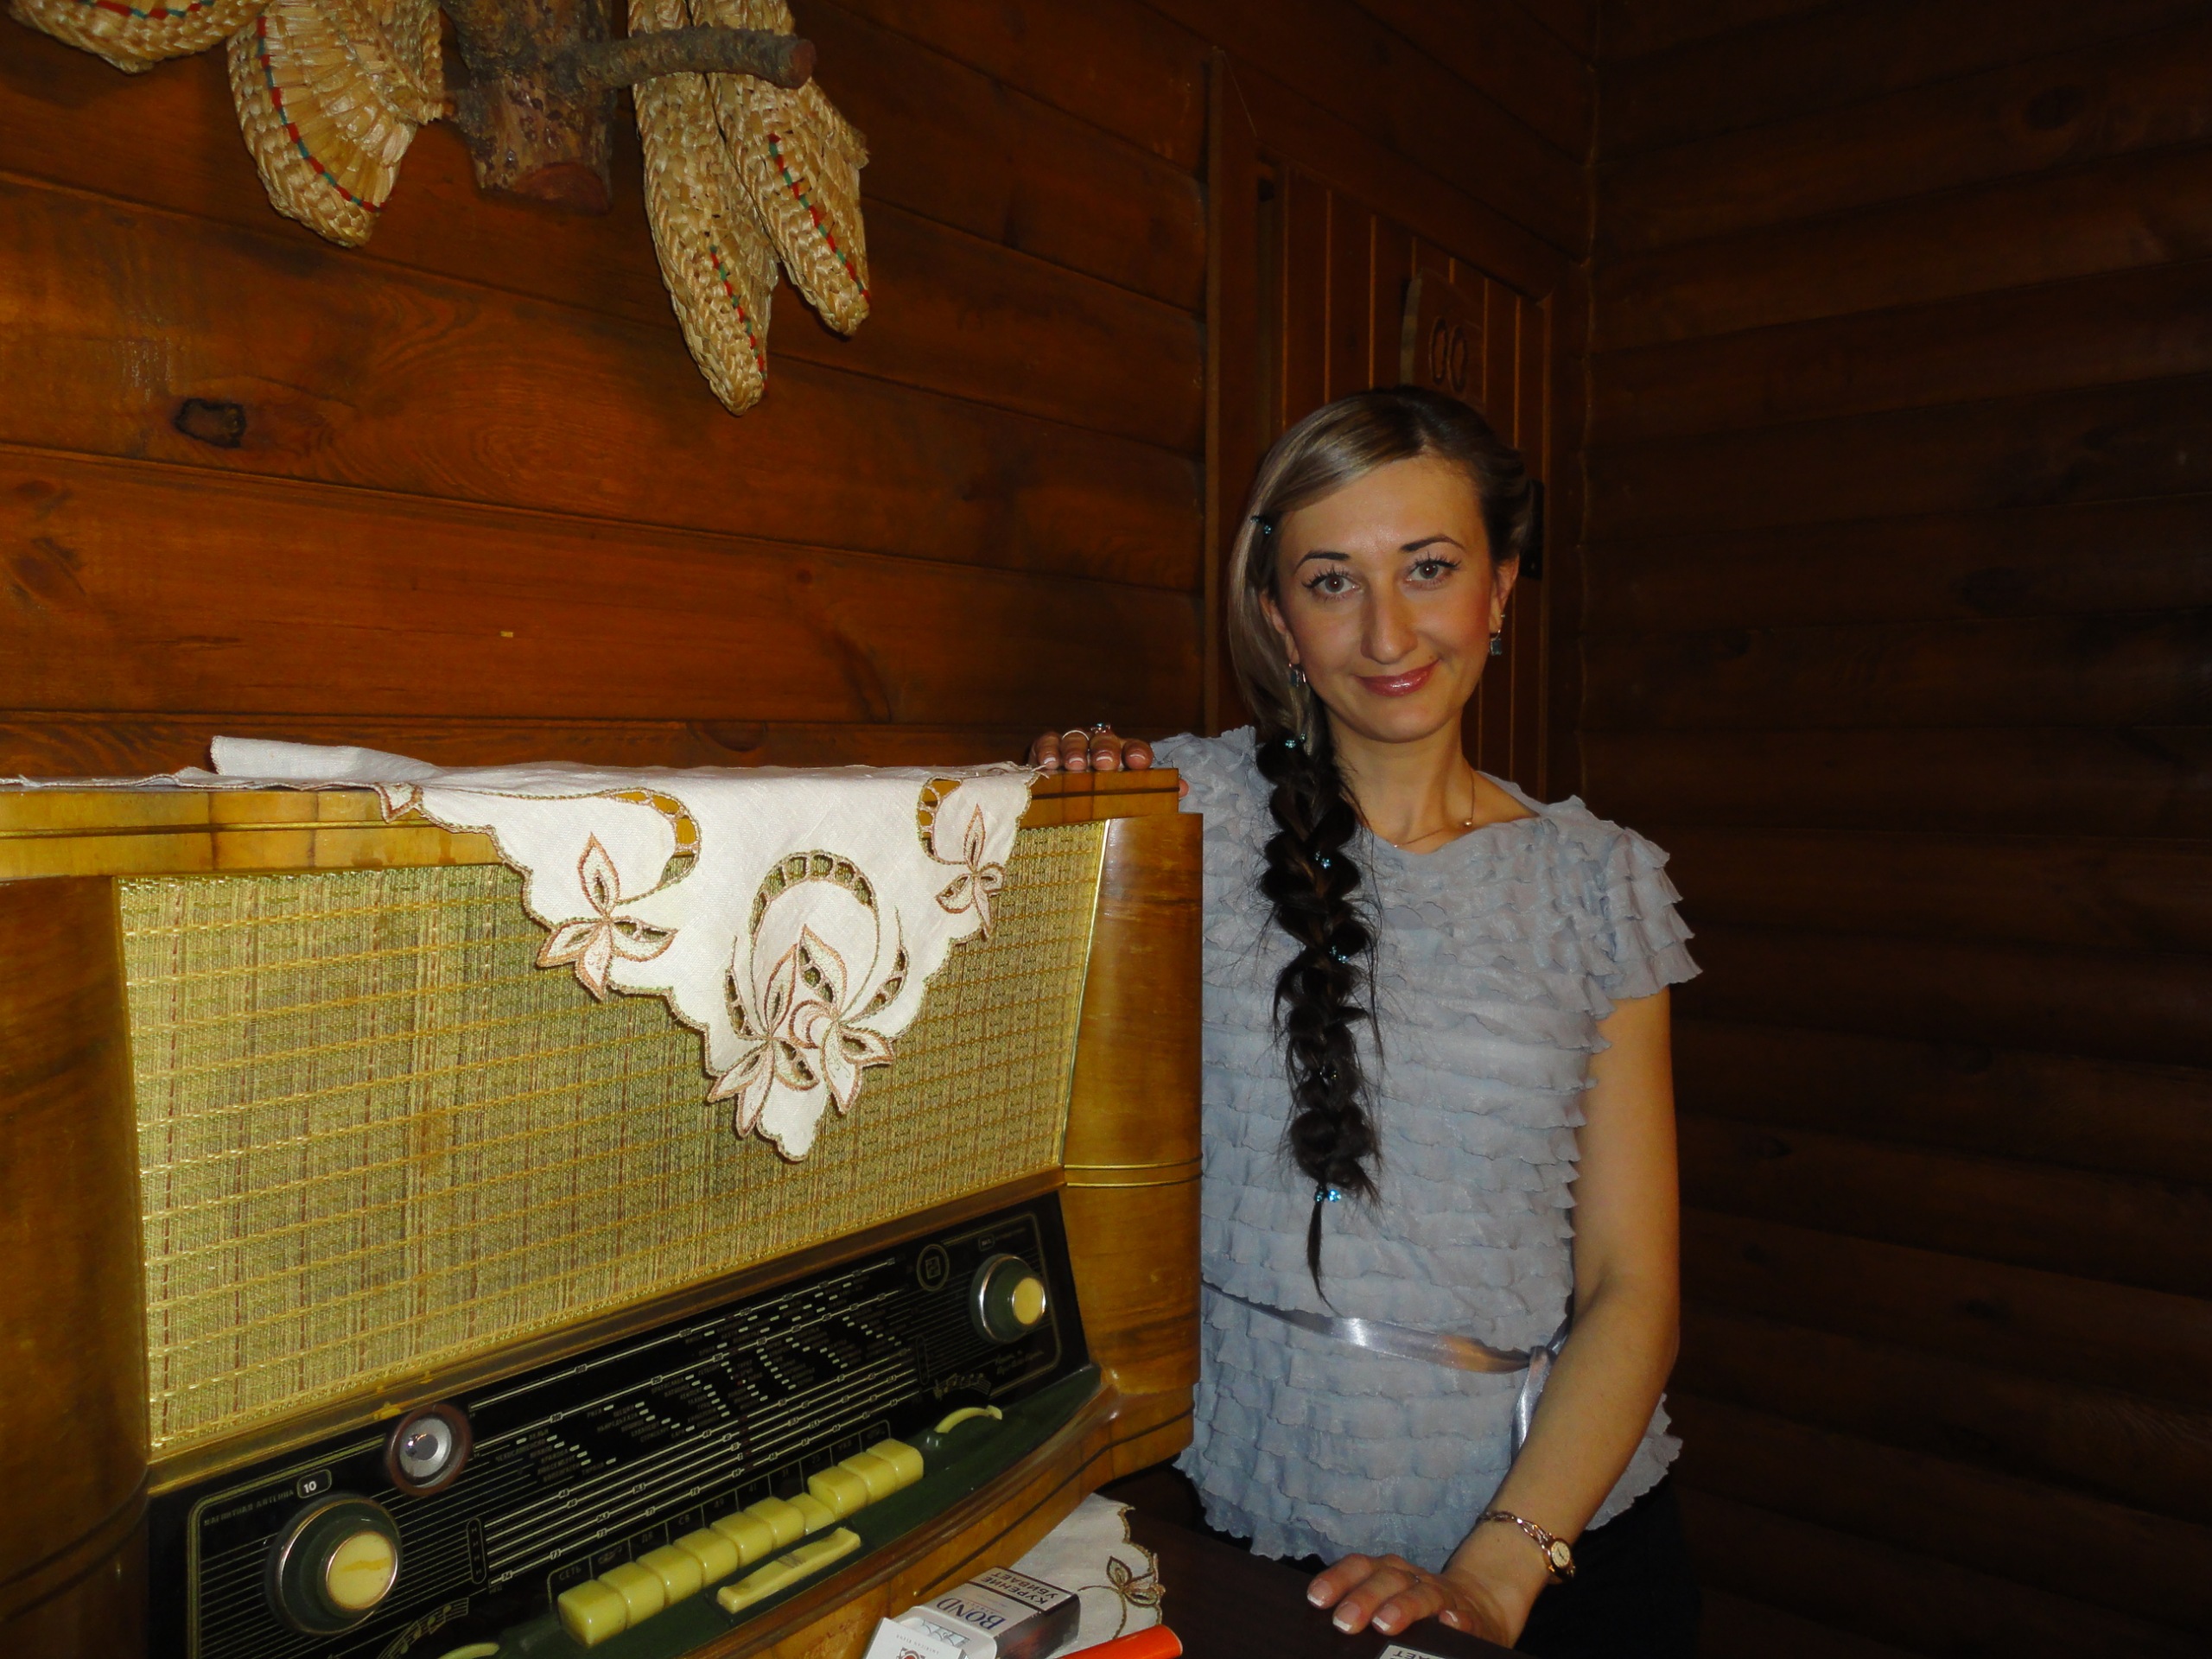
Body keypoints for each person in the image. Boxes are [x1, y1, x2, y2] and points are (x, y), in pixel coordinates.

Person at [1028, 387, 1700, 1656]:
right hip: (1253, 1534)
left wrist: (1495, 1581)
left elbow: (1633, 1285)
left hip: (1561, 1554)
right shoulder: (1177, 816)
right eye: (1333, 581)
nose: (1388, 632)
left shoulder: (1598, 883)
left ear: (1501, 586)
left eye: (1429, 568)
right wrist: (1066, 807)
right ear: (1279, 616)